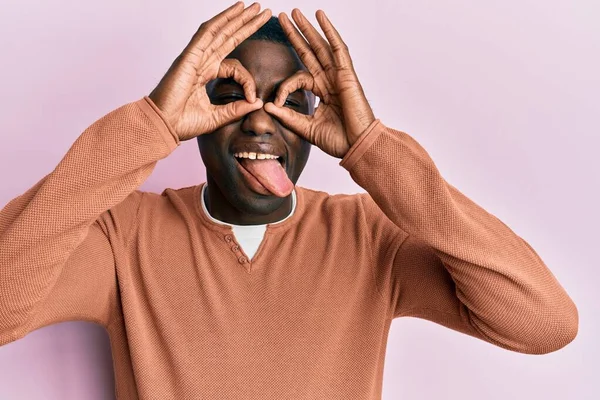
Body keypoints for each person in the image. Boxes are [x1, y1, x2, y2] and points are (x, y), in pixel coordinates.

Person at [0, 2, 578, 399]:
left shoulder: (369, 235)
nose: (258, 123)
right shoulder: (122, 234)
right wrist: (148, 124)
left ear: (312, 124)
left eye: (287, 104)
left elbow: (544, 323)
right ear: (196, 120)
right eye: (231, 97)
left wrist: (373, 150)